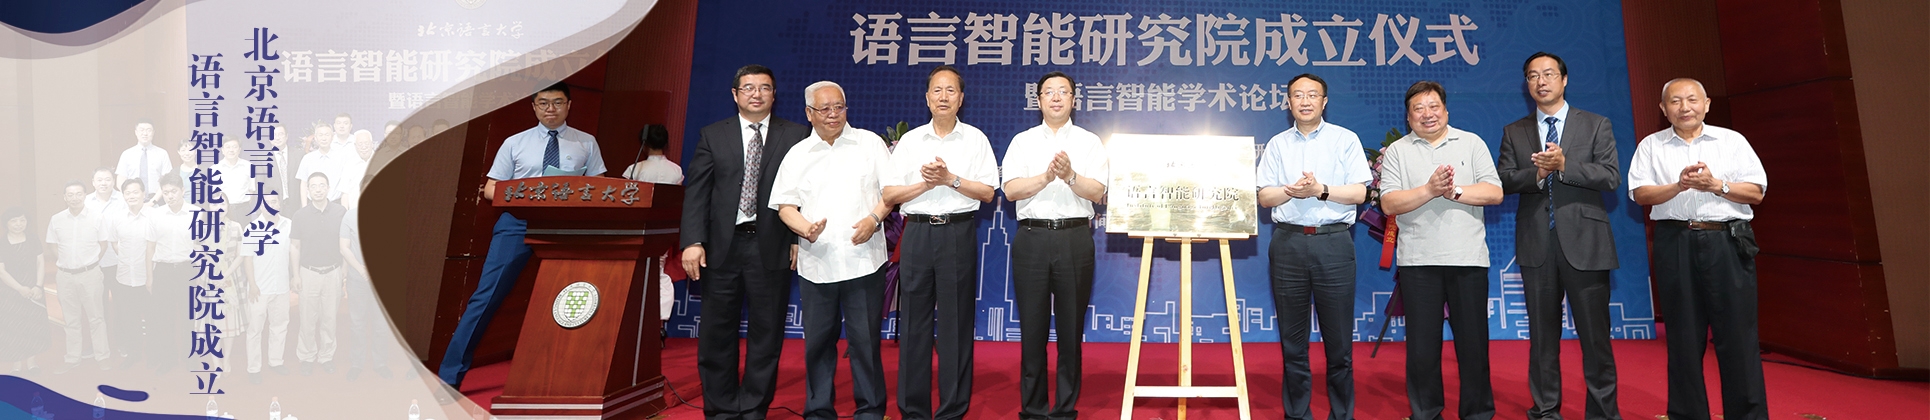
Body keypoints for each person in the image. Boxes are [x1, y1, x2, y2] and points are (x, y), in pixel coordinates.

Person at [439, 82, 607, 388]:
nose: (550, 109)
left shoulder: (586, 142)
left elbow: (600, 187)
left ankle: (573, 378)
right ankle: (449, 379)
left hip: (566, 227)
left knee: (576, 298)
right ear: (534, 106)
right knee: (485, 297)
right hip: (517, 223)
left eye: (558, 102)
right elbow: (491, 188)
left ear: (569, 105)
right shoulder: (515, 142)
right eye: (543, 103)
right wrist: (526, 194)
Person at [1627, 78, 1769, 420]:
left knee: (1738, 337)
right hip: (1675, 242)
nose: (1684, 107)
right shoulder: (1651, 146)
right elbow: (1640, 194)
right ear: (1663, 109)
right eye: (1675, 101)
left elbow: (1756, 192)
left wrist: (1716, 185)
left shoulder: (1732, 141)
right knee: (1682, 338)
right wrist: (1679, 186)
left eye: (1692, 99)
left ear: (1706, 104)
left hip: (1727, 242)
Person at [1498, 52, 1625, 420]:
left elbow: (1610, 177)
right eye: (1533, 75)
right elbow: (1504, 179)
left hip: (1587, 242)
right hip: (1537, 244)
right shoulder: (1514, 131)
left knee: (1595, 337)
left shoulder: (1595, 124)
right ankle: (1545, 410)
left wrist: (1565, 165)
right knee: (1542, 338)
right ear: (1526, 83)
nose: (1541, 81)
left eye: (1549, 74)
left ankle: (1602, 413)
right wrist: (1538, 175)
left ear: (1564, 79)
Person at [680, 64, 809, 420]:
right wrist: (693, 241)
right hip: (721, 248)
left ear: (774, 95)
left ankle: (753, 408)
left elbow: (805, 191)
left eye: (764, 87)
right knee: (716, 332)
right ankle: (720, 408)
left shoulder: (796, 135)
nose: (757, 94)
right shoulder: (712, 134)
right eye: (749, 87)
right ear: (735, 94)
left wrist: (797, 237)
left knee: (766, 333)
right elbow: (697, 193)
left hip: (772, 245)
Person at [1377, 80, 1503, 420]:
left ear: (1446, 110)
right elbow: (1389, 203)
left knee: (1473, 344)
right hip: (1418, 261)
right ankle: (1426, 413)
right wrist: (1430, 190)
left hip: (1468, 258)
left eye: (1434, 106)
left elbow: (1495, 192)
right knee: (1422, 348)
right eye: (1418, 108)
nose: (1427, 114)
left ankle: (1477, 413)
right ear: (1408, 117)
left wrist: (1455, 192)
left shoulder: (1471, 143)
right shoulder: (1398, 151)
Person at [880, 65, 997, 420]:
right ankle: (913, 410)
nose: (943, 97)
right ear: (927, 98)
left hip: (957, 233)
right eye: (937, 90)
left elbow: (988, 192)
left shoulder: (975, 139)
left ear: (961, 99)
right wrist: (925, 184)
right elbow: (889, 194)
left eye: (950, 91)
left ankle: (952, 410)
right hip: (917, 233)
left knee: (955, 324)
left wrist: (950, 179)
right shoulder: (911, 142)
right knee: (913, 323)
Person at [771, 80, 893, 420]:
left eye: (839, 107)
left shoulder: (869, 143)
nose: (833, 114)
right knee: (818, 343)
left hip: (864, 260)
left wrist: (873, 219)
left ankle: (870, 410)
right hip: (818, 261)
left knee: (865, 342)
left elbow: (891, 193)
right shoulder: (798, 153)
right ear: (809, 113)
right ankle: (819, 410)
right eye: (824, 109)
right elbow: (785, 206)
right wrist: (804, 228)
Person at [1255, 73, 1372, 420]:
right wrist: (1291, 191)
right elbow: (1264, 196)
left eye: (1312, 95)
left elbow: (1360, 193)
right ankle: (1297, 414)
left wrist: (1320, 190)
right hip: (1288, 243)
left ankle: (1342, 414)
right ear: (1288, 102)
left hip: (1333, 243)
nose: (1305, 101)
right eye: (1297, 95)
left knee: (1339, 344)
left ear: (1324, 102)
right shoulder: (1277, 144)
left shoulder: (1345, 139)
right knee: (1293, 343)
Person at [1000, 71, 1108, 420]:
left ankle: (1064, 409)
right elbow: (1010, 190)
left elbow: (1099, 192)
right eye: (1049, 92)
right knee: (1032, 329)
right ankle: (1033, 409)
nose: (1056, 97)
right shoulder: (1023, 142)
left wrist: (1070, 176)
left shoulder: (1090, 142)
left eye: (1063, 92)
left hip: (1074, 239)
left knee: (1070, 329)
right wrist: (1047, 177)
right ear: (1039, 100)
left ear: (1074, 99)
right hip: (1031, 238)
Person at [619, 124, 683, 324]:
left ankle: (633, 316)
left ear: (644, 144)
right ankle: (661, 320)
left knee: (635, 270)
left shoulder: (635, 169)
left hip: (638, 227)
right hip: (663, 228)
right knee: (659, 270)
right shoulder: (676, 170)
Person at [47, 181, 111, 373]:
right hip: (65, 276)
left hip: (90, 275)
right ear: (64, 197)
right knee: (71, 319)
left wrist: (89, 263)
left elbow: (103, 244)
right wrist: (67, 263)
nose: (74, 198)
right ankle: (72, 358)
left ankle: (102, 356)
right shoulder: (56, 219)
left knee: (96, 318)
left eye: (78, 194)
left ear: (85, 195)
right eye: (70, 194)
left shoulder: (97, 217)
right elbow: (53, 245)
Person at [290, 172, 347, 376]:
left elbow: (345, 244)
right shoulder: (300, 215)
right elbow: (295, 246)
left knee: (329, 319)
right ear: (308, 190)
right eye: (313, 186)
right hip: (308, 273)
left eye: (322, 185)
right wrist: (296, 275)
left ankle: (326, 356)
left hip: (333, 272)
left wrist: (344, 270)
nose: (318, 189)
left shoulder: (340, 212)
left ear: (328, 188)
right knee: (307, 319)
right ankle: (306, 356)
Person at [100, 179, 154, 371]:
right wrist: (124, 256)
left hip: (147, 277)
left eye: (135, 192)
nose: (132, 196)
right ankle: (134, 354)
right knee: (129, 319)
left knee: (152, 318)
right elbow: (114, 242)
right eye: (127, 193)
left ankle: (154, 355)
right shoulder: (117, 217)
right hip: (123, 277)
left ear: (143, 193)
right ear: (123, 196)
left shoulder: (153, 216)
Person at [243, 193, 295, 381]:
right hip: (259, 288)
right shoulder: (251, 228)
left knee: (279, 326)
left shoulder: (289, 225)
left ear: (279, 204)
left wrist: (294, 276)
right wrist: (252, 284)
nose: (271, 205)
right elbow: (247, 259)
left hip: (281, 286)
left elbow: (293, 252)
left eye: (274, 201)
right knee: (254, 330)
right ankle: (253, 368)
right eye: (266, 203)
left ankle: (276, 361)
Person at [338, 194, 390, 381]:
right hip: (356, 279)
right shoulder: (350, 216)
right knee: (357, 324)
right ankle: (357, 364)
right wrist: (361, 269)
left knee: (381, 325)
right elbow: (344, 247)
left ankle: (380, 363)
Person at [148, 175, 196, 374]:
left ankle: (191, 358)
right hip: (163, 271)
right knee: (164, 318)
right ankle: (168, 359)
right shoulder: (156, 215)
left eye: (173, 191)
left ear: (182, 191)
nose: (170, 196)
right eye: (166, 192)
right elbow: (150, 247)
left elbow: (202, 245)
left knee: (189, 318)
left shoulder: (196, 213)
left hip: (188, 270)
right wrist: (149, 277)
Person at [0, 207, 50, 374]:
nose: (19, 224)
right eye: (14, 221)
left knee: (33, 325)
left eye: (22, 220)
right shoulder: (2, 243)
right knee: (13, 326)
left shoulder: (33, 238)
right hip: (10, 291)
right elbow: (1, 271)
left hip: (33, 288)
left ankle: (31, 362)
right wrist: (19, 288)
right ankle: (16, 364)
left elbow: (40, 263)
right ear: (6, 223)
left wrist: (38, 286)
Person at [115, 121, 172, 200]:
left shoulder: (162, 154)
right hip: (132, 200)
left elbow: (167, 180)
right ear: (136, 132)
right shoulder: (126, 154)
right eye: (141, 130)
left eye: (148, 130)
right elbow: (120, 179)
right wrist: (129, 196)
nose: (145, 133)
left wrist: (154, 201)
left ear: (153, 132)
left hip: (157, 199)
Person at [295, 122, 344, 207]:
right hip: (313, 205)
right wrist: (304, 207)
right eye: (320, 135)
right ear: (316, 138)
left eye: (327, 135)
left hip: (335, 204)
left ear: (332, 137)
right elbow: (303, 184)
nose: (324, 138)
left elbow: (345, 185)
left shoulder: (341, 158)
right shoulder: (308, 158)